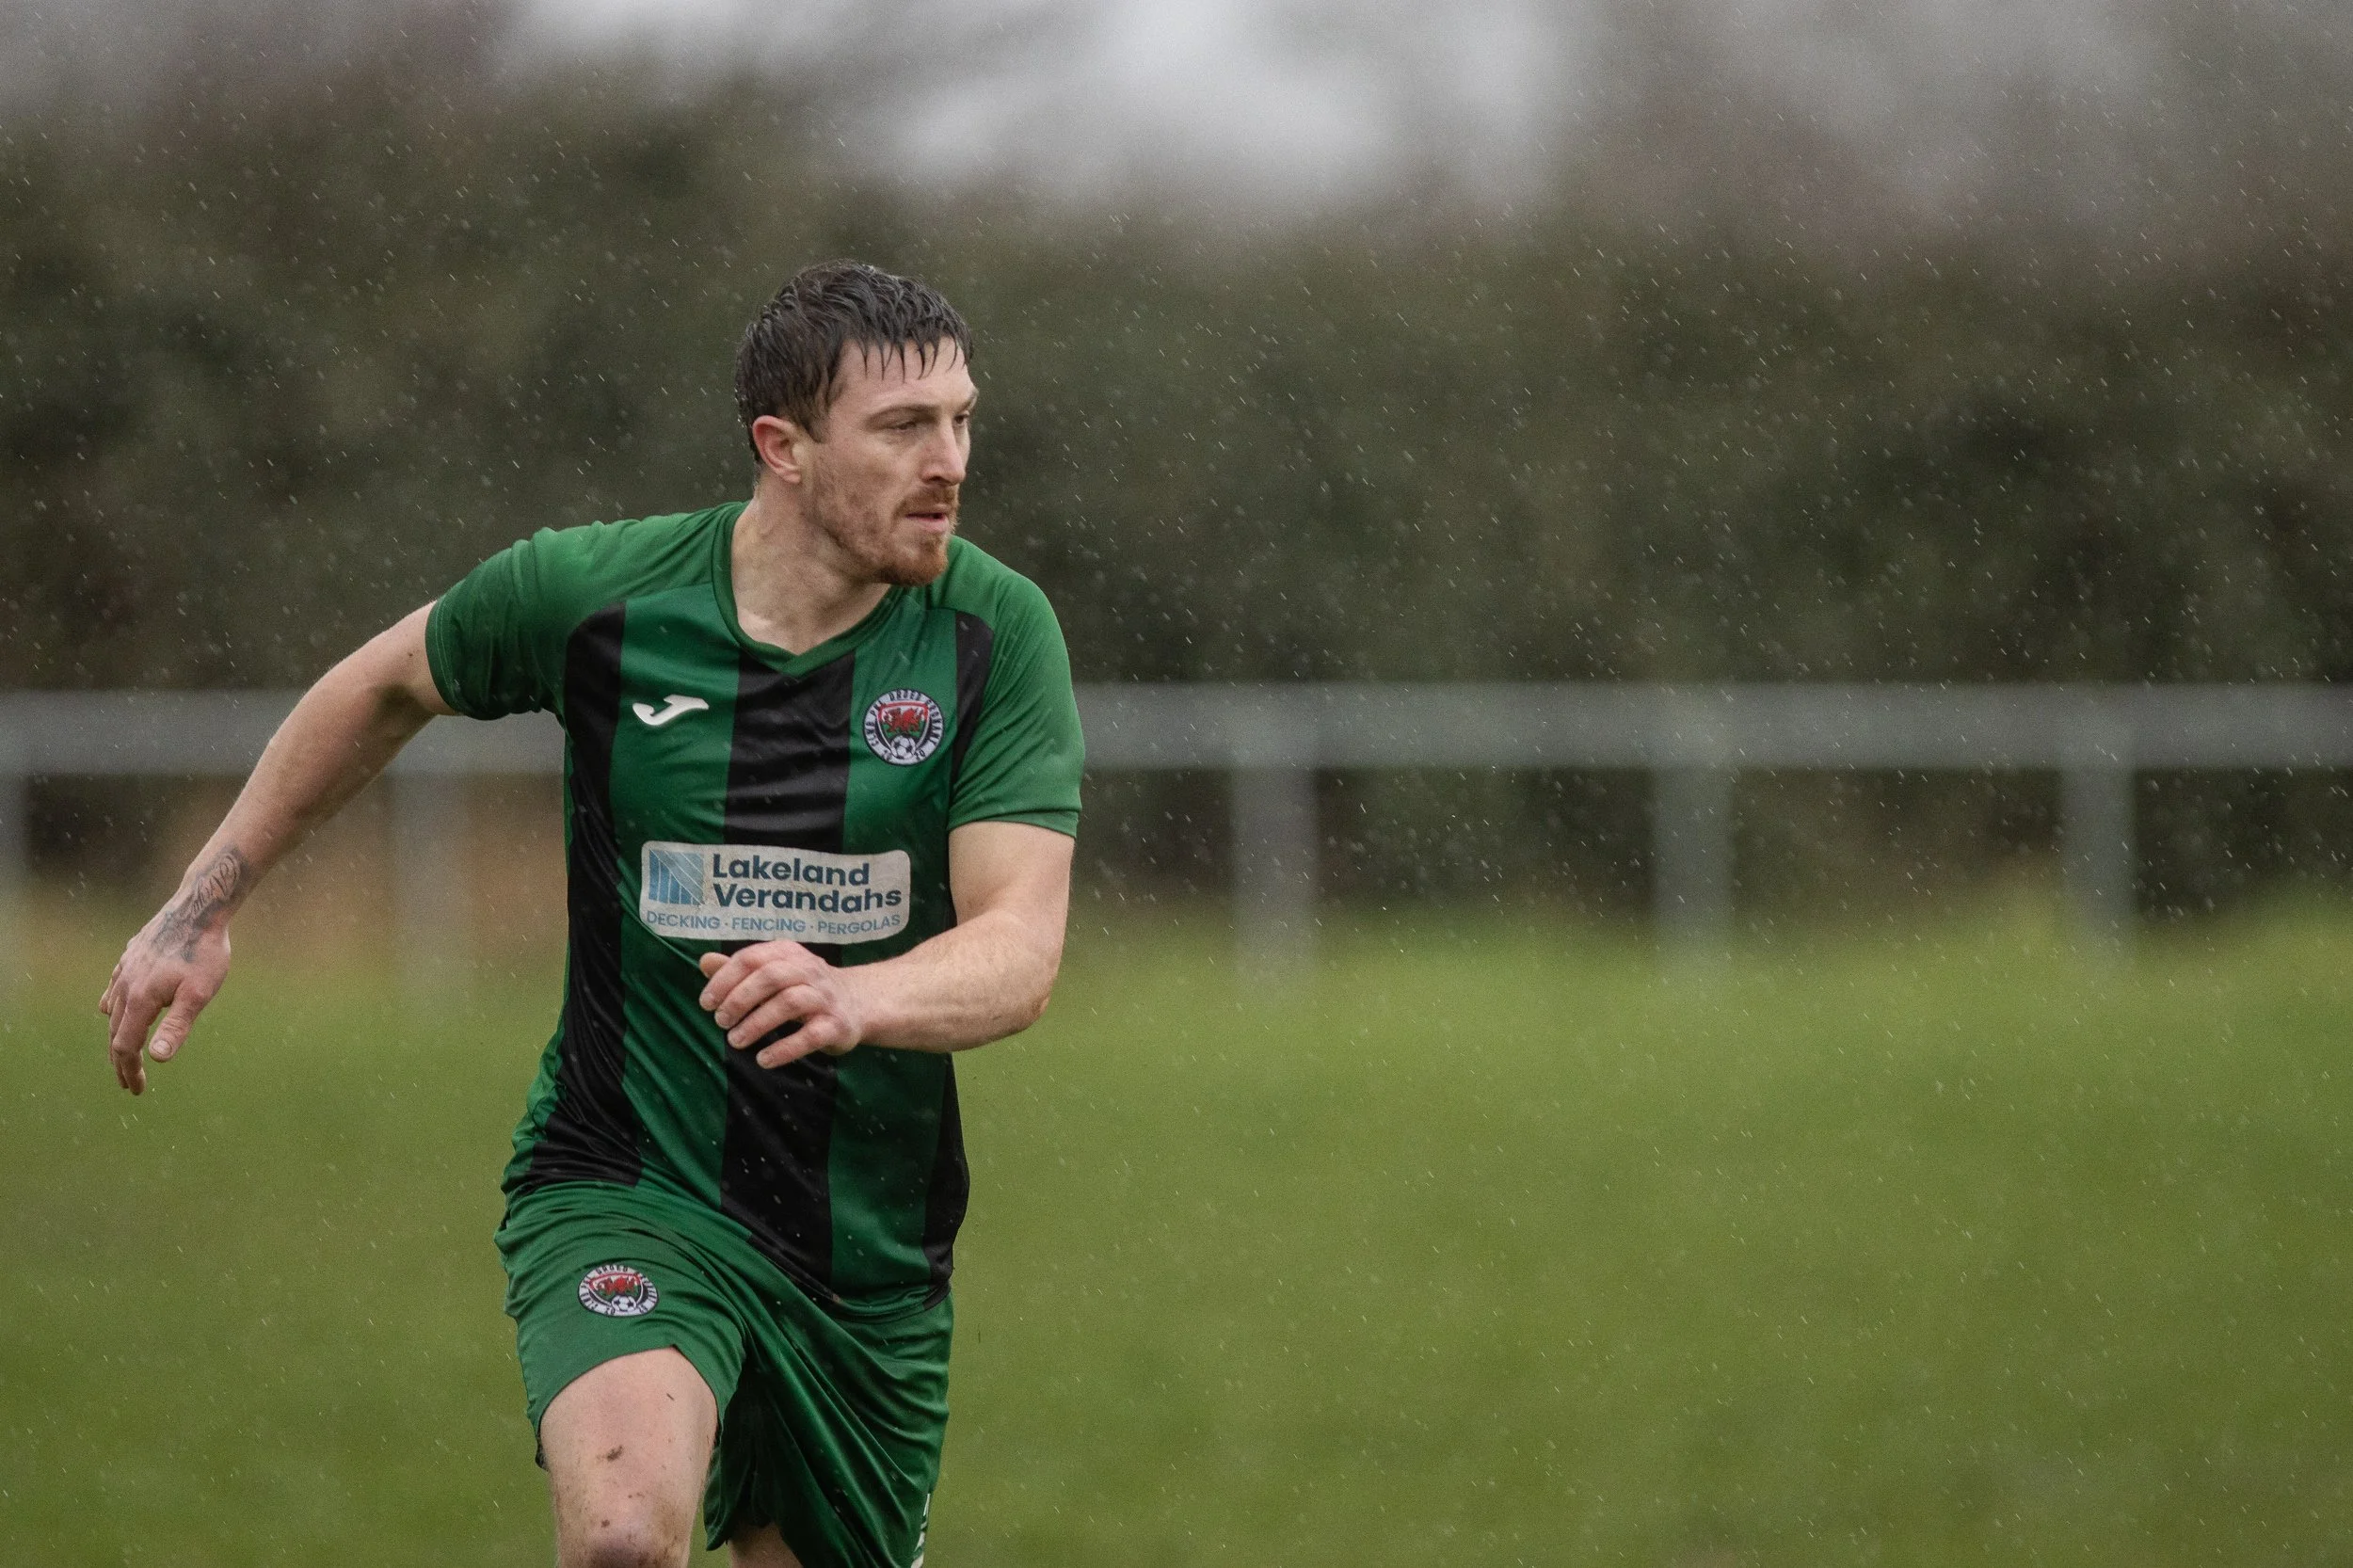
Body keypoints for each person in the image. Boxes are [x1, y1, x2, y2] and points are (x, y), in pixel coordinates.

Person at [99, 260, 1084, 1568]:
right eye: (904, 427)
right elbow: (385, 682)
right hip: (631, 1181)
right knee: (625, 1538)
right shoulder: (600, 598)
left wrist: (864, 994)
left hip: (868, 1244)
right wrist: (201, 901)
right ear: (780, 448)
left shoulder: (993, 634)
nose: (948, 459)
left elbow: (1022, 946)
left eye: (962, 419)